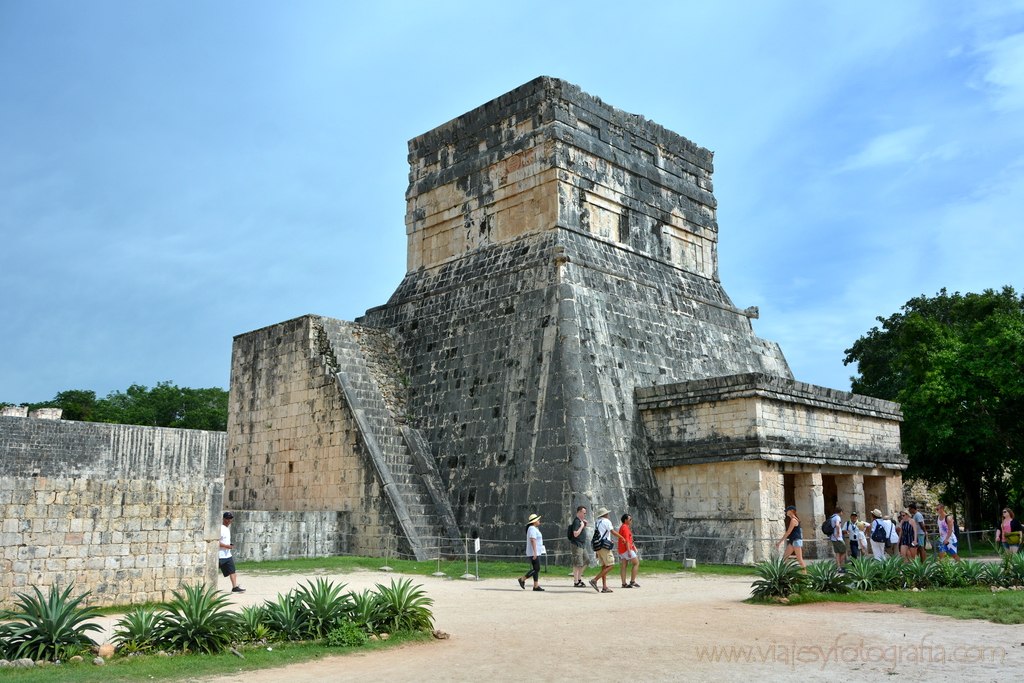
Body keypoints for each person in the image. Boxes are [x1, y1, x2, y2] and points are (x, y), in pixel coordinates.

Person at [589, 507, 622, 593]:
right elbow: (612, 532)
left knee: (604, 566)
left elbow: (597, 535)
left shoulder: (597, 522)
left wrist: (596, 551)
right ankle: (594, 580)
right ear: (605, 514)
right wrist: (622, 538)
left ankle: (604, 587)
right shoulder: (607, 521)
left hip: (598, 546)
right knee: (611, 565)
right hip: (604, 546)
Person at [518, 513, 546, 591]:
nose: (539, 521)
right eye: (538, 520)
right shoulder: (532, 529)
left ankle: (536, 585)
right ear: (534, 521)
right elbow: (533, 540)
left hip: (536, 551)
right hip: (534, 552)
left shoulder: (533, 528)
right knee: (537, 568)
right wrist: (535, 552)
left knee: (535, 568)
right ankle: (522, 579)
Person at [219, 511, 245, 593]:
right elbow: (216, 542)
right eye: (227, 518)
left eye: (230, 518)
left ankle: (235, 587)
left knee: (232, 571)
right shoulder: (220, 529)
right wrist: (227, 546)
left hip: (227, 555)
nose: (229, 520)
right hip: (220, 555)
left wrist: (229, 545)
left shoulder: (227, 529)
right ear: (224, 519)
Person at [569, 505, 590, 587]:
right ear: (579, 512)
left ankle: (579, 578)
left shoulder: (580, 521)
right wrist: (581, 526)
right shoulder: (577, 521)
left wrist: (584, 525)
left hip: (582, 545)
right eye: (584, 513)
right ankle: (576, 581)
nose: (585, 515)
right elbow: (575, 534)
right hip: (577, 544)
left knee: (587, 560)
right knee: (577, 563)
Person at [618, 513, 640, 588]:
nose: (631, 521)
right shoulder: (625, 528)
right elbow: (627, 540)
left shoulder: (622, 527)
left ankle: (624, 583)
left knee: (624, 565)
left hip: (621, 549)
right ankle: (632, 581)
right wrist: (629, 551)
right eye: (630, 519)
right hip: (626, 549)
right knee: (636, 563)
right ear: (625, 520)